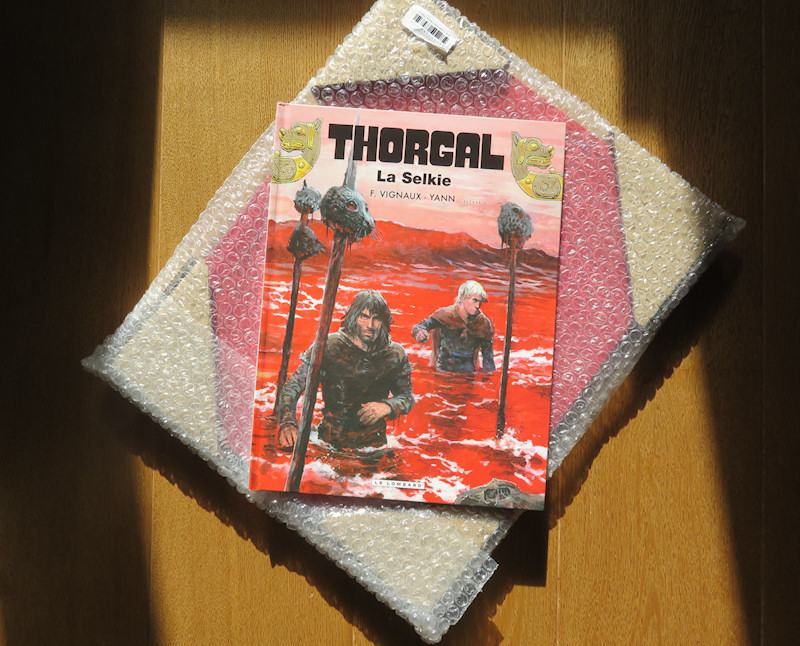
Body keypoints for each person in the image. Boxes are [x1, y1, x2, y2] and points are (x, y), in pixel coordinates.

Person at [278, 290, 414, 450]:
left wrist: (388, 407)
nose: (370, 325)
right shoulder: (329, 346)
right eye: (364, 317)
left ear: (384, 321)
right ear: (353, 317)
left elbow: (406, 397)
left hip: (373, 445)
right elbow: (293, 386)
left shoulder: (394, 354)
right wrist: (288, 422)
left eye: (376, 318)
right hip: (329, 442)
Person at [412, 280, 496, 373]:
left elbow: (488, 361)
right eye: (475, 300)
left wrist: (486, 376)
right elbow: (421, 326)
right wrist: (420, 332)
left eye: (480, 302)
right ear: (463, 298)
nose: (478, 306)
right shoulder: (445, 315)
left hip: (468, 373)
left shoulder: (483, 323)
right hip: (443, 370)